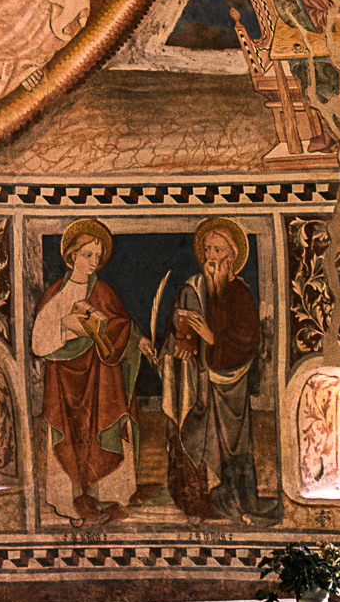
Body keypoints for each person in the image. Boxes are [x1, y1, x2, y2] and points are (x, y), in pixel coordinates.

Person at [158, 217, 268, 524]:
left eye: (217, 249)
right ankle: (196, 502)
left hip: (229, 385)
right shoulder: (193, 288)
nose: (210, 255)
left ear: (231, 256)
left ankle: (232, 501)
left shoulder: (239, 293)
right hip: (198, 381)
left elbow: (248, 340)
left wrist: (211, 339)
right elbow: (175, 330)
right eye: (206, 248)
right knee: (193, 432)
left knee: (229, 443)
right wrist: (177, 340)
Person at [31, 218, 141, 523]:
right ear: (71, 256)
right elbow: (39, 341)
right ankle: (69, 499)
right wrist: (67, 328)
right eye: (87, 255)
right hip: (64, 381)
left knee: (103, 430)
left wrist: (129, 336)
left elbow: (122, 323)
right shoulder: (57, 292)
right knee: (69, 435)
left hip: (100, 379)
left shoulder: (103, 290)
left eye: (97, 256)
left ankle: (110, 496)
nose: (93, 262)